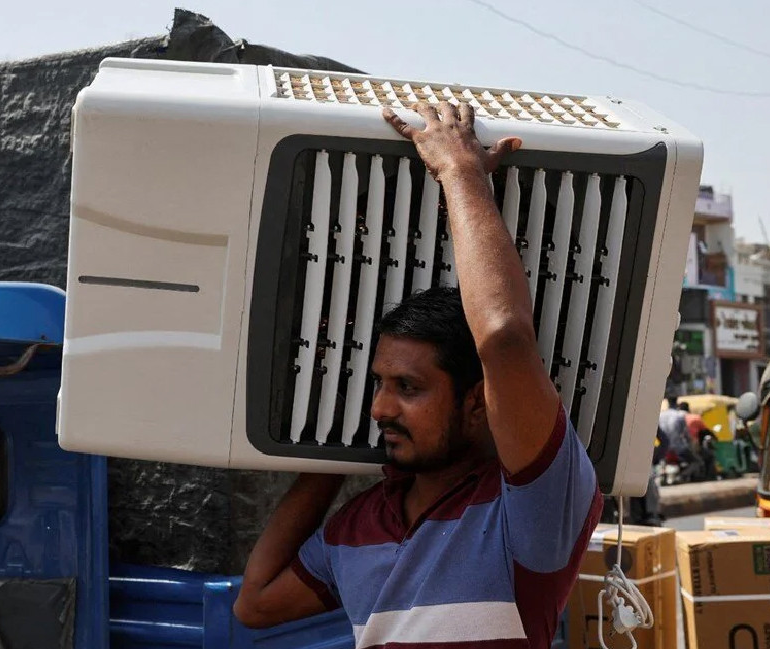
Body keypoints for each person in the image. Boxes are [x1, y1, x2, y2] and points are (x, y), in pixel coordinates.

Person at [233, 102, 602, 649]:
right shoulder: (357, 525)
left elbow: (502, 338)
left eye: (408, 388)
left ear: (479, 402)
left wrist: (460, 172)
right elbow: (254, 604)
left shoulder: (529, 511)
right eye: (379, 385)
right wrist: (327, 453)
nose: (380, 408)